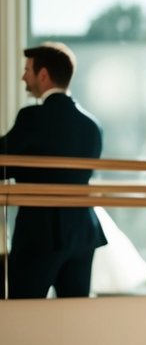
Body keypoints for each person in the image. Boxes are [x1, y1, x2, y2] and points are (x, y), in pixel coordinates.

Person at [1, 42, 106, 298]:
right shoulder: (92, 125)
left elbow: (4, 160)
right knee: (74, 316)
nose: (23, 76)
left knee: (22, 310)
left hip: (39, 233)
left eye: (28, 70)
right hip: (82, 232)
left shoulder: (32, 118)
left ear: (43, 74)